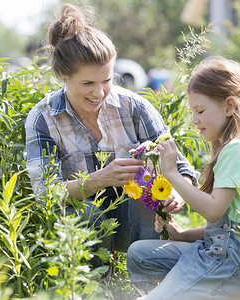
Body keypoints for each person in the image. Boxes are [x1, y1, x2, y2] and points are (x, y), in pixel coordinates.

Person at [24, 3, 199, 253]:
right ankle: (93, 286)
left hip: (137, 225)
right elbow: (46, 193)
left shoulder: (135, 107)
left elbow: (183, 169)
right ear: (63, 75)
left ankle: (149, 281)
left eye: (107, 80)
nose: (99, 93)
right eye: (87, 83)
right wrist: (100, 179)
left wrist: (177, 196)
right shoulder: (43, 117)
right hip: (83, 224)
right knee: (86, 213)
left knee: (146, 195)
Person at [127, 56, 240, 299]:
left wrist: (172, 174)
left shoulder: (237, 149)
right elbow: (229, 227)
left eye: (200, 111)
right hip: (225, 255)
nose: (194, 119)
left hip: (228, 263)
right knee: (139, 255)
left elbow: (214, 211)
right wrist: (183, 235)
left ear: (230, 106)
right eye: (192, 112)